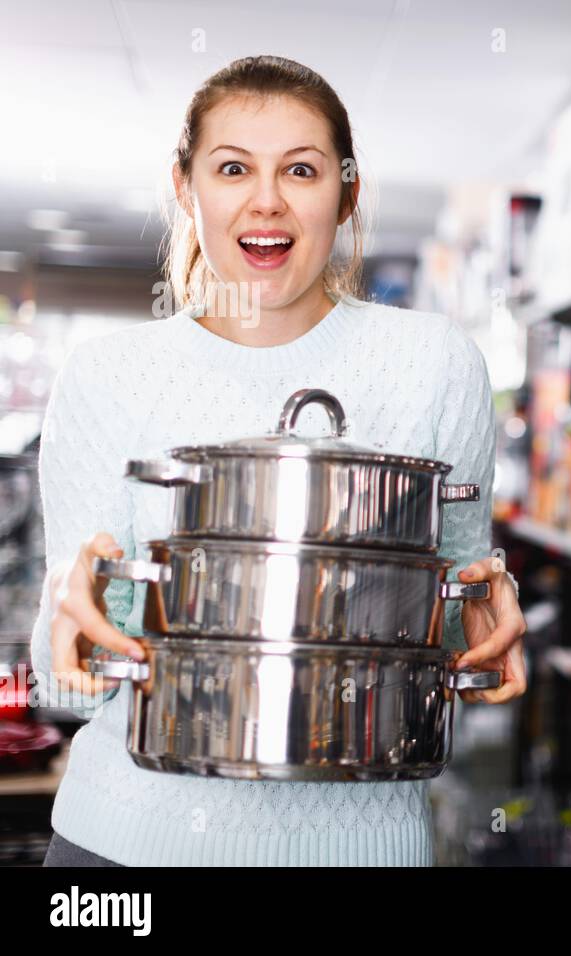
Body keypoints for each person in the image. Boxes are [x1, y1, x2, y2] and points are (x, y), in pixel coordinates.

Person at [32, 55, 526, 866]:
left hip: (363, 847)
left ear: (348, 191)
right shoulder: (107, 373)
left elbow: (458, 617)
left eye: (301, 169)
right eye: (233, 169)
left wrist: (492, 615)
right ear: (186, 189)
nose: (267, 199)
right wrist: (67, 613)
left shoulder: (435, 361)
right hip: (125, 847)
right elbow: (62, 684)